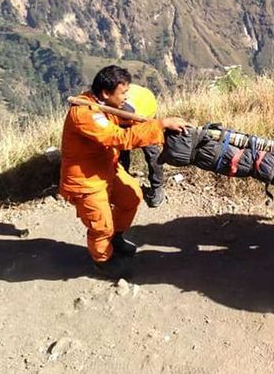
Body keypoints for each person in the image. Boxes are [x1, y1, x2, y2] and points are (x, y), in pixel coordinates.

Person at [59, 65, 188, 279]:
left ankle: (116, 238)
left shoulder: (104, 105)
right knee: (101, 225)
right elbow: (120, 138)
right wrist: (160, 125)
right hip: (85, 180)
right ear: (106, 93)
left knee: (131, 198)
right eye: (123, 93)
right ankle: (103, 261)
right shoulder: (84, 114)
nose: (126, 97)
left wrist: (143, 120)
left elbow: (121, 120)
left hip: (107, 168)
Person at [118, 84, 166, 208]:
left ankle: (157, 187)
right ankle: (122, 184)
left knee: (152, 153)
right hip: (129, 115)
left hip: (145, 116)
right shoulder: (112, 101)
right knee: (121, 151)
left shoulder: (135, 111)